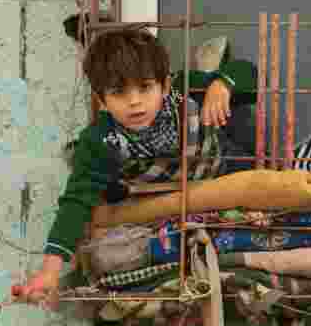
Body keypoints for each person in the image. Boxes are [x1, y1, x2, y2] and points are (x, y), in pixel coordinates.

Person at [17, 27, 257, 307]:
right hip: (163, 210)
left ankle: (211, 64)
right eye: (119, 92)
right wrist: (49, 271)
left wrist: (222, 84)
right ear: (101, 100)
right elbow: (76, 201)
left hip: (220, 177)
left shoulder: (184, 91)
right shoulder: (101, 139)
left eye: (145, 87)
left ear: (164, 86)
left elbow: (249, 73)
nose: (134, 102)